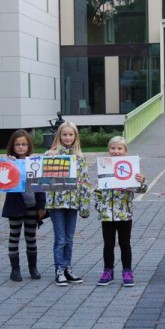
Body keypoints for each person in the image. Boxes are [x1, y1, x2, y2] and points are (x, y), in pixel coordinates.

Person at [94, 136, 147, 287]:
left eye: (119, 148)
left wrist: (142, 180)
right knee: (108, 244)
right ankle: (108, 271)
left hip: (124, 214)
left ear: (125, 151)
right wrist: (100, 206)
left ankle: (127, 271)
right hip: (107, 215)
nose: (116, 151)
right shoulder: (104, 167)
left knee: (125, 243)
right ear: (108, 150)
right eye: (113, 148)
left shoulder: (131, 168)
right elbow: (97, 190)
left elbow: (141, 189)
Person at [45, 122, 91, 286]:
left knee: (69, 238)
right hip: (57, 204)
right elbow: (43, 179)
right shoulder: (51, 154)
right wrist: (48, 158)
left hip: (73, 203)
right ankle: (59, 270)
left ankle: (67, 268)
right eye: (64, 134)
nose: (68, 138)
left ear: (75, 137)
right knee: (60, 238)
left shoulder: (80, 157)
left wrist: (85, 206)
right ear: (59, 136)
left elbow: (85, 182)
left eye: (71, 135)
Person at [1, 129, 47, 282]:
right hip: (15, 207)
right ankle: (15, 269)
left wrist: (42, 206)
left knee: (31, 238)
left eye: (24, 144)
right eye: (17, 144)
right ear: (12, 146)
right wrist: (8, 164)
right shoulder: (10, 163)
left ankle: (33, 268)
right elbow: (2, 183)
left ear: (29, 146)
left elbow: (40, 187)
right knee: (14, 237)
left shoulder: (34, 163)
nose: (21, 147)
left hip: (32, 207)